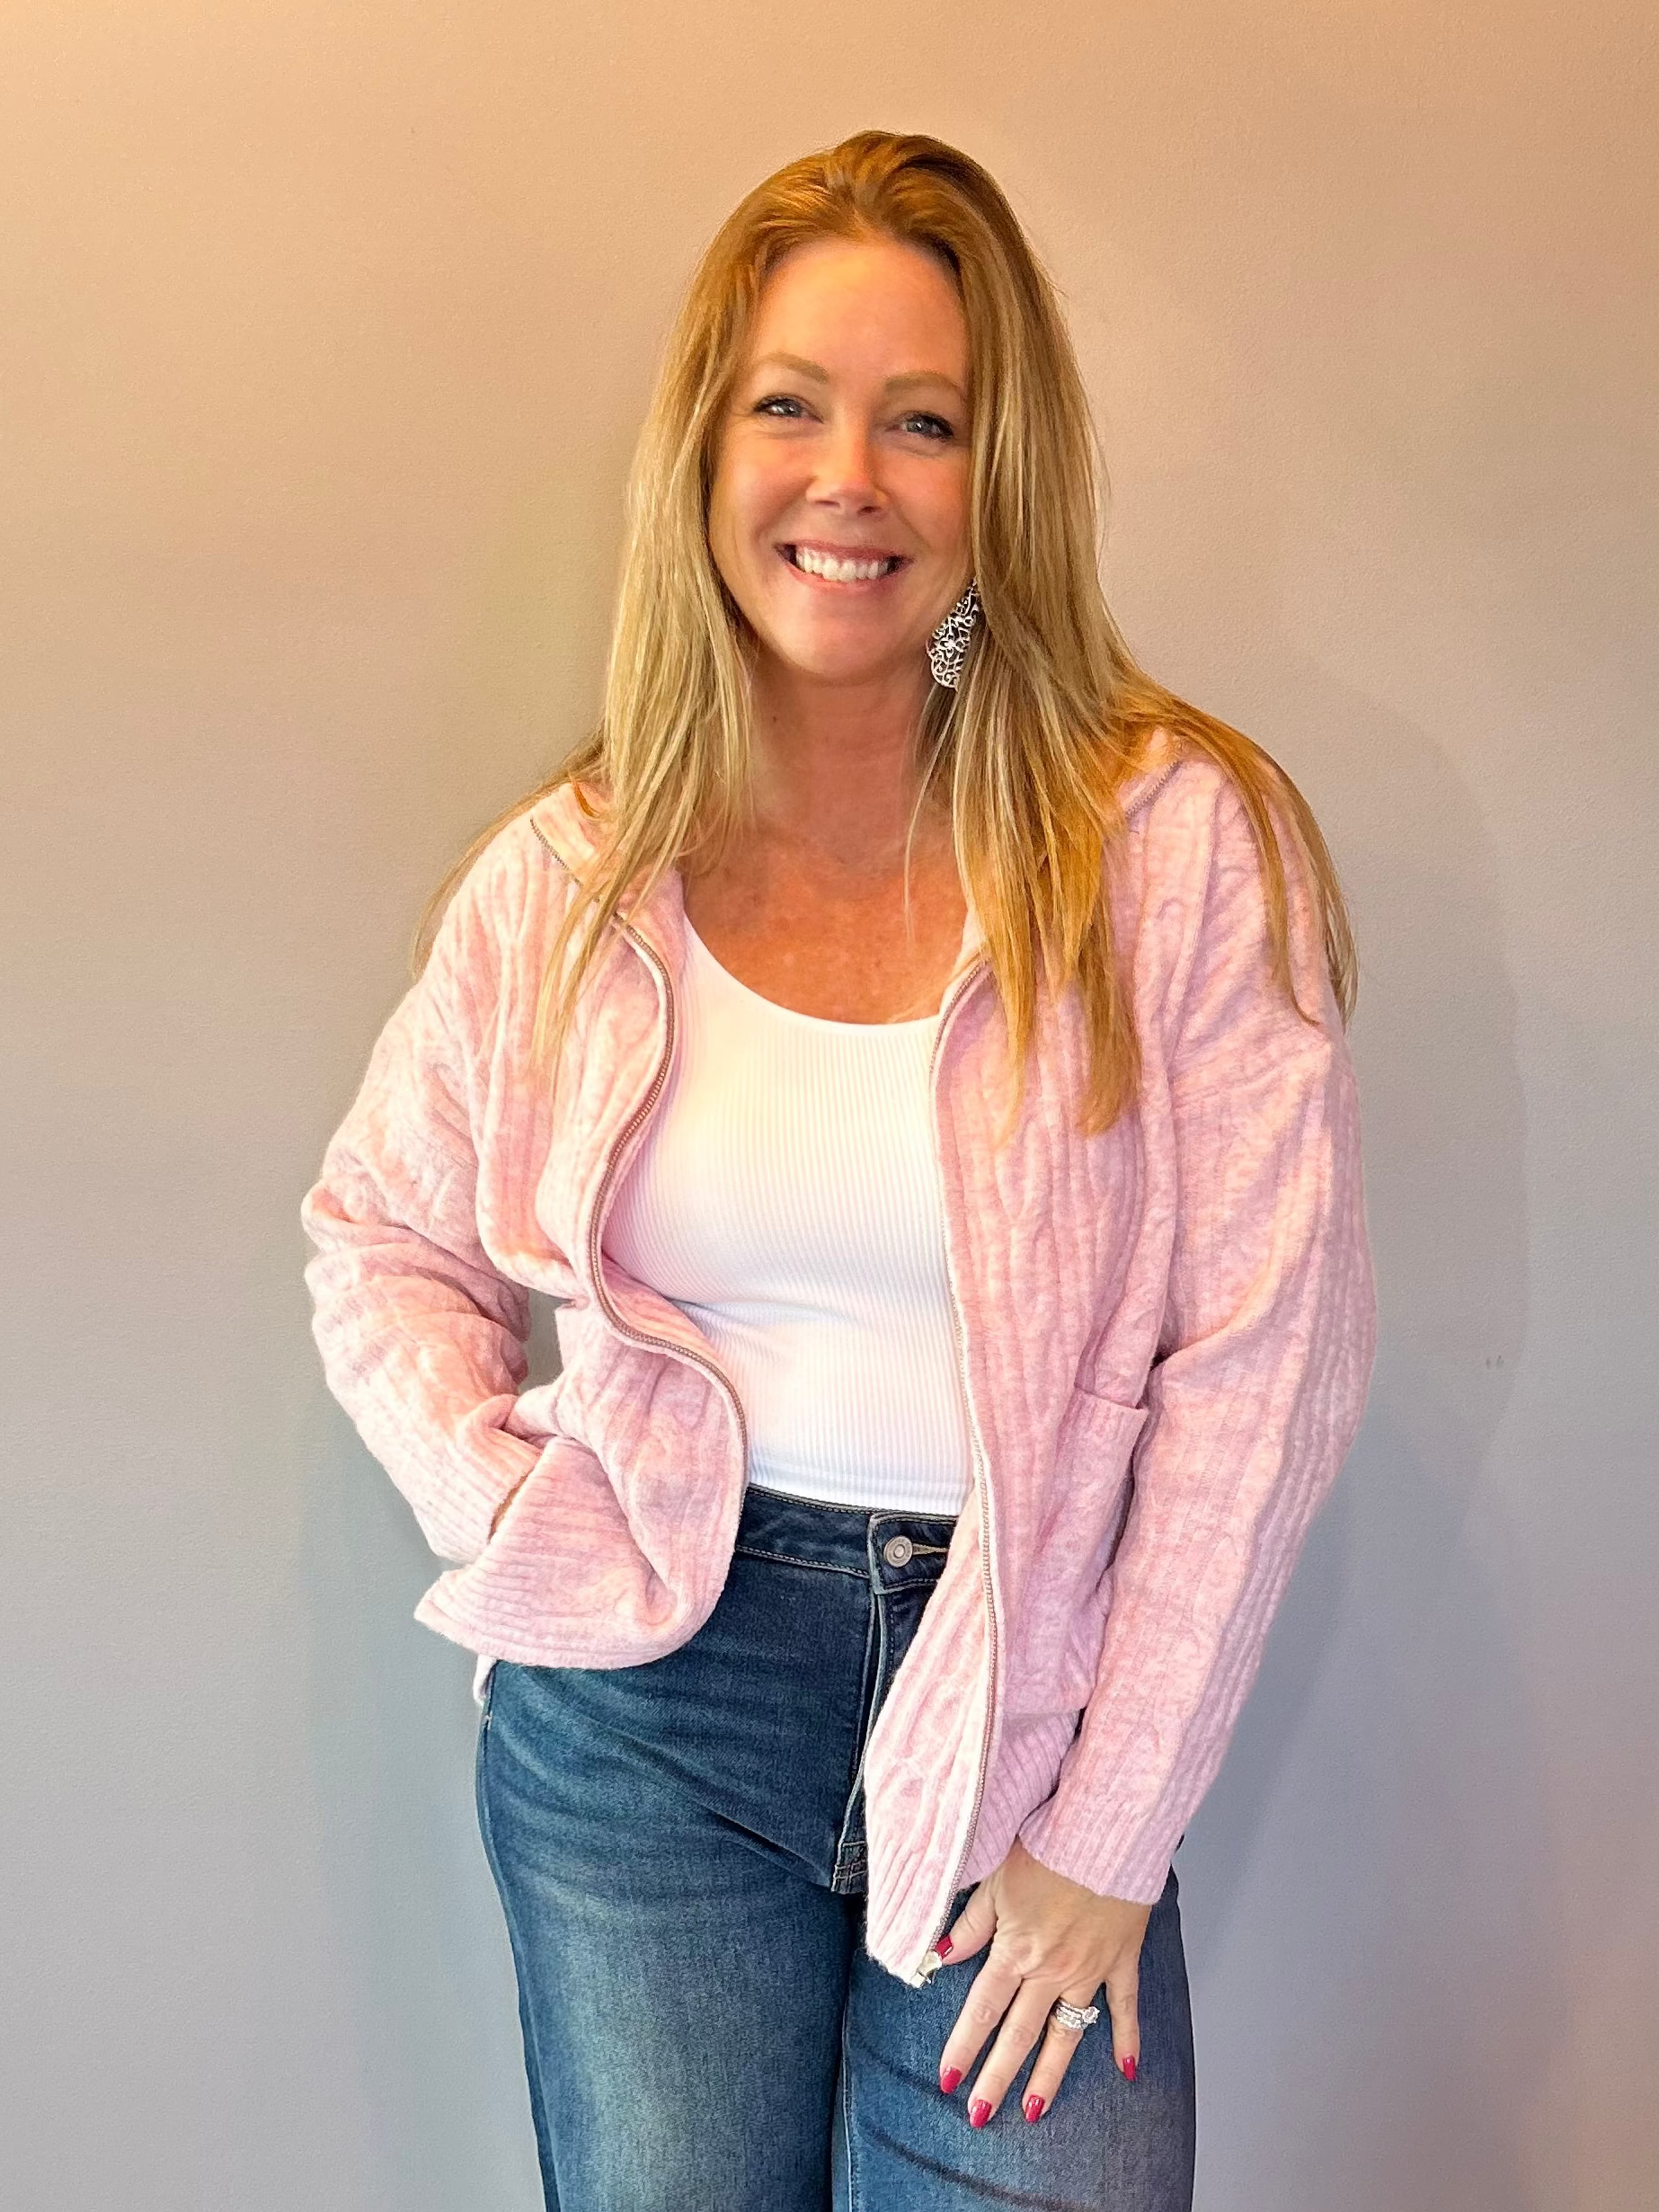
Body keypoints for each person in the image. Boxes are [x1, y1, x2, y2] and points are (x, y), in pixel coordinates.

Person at [301, 129, 1375, 2212]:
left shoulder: (1166, 849)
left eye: (923, 422)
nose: (845, 478)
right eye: (786, 405)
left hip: (1020, 1706)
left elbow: (1259, 1367)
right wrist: (521, 1515)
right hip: (648, 1721)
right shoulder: (574, 877)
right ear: (705, 454)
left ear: (1003, 476)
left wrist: (1105, 1833)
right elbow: (378, 1233)